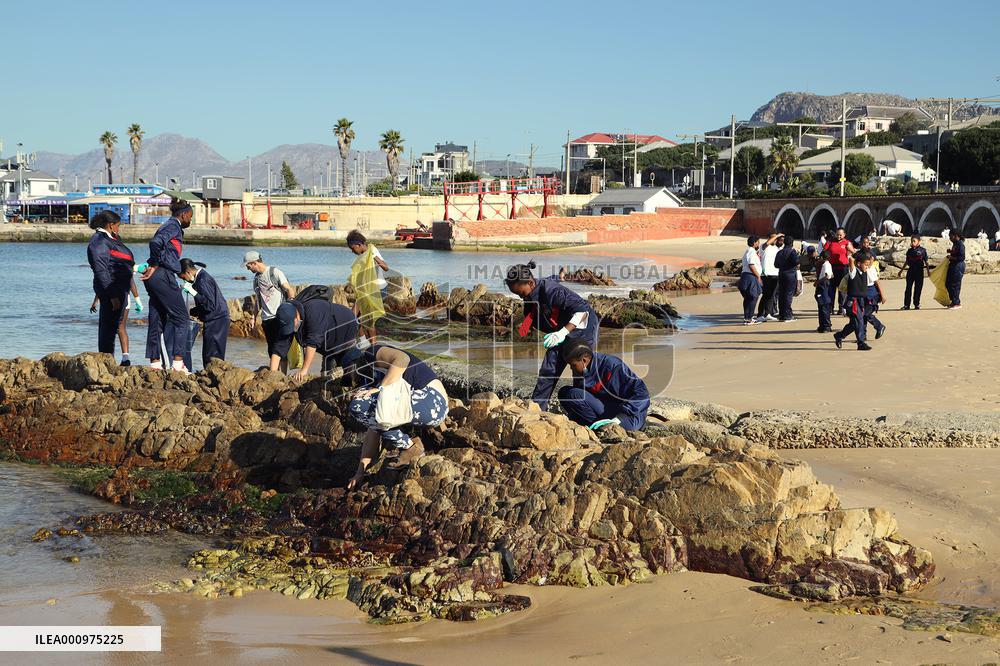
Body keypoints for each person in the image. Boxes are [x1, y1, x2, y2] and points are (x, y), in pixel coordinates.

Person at [347, 344, 449, 488]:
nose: (354, 384)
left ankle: (411, 448)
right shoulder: (377, 379)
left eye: (351, 375)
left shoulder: (372, 353)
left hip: (431, 400)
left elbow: (402, 358)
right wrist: (360, 472)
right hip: (432, 408)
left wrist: (379, 388)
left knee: (357, 405)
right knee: (373, 414)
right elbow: (375, 428)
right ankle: (412, 448)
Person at [505, 261, 599, 410]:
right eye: (516, 294)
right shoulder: (534, 290)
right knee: (550, 366)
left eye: (521, 293)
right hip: (560, 329)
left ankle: (585, 411)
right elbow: (550, 279)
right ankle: (537, 408)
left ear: (530, 283)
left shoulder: (552, 291)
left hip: (582, 326)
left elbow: (582, 313)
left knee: (580, 369)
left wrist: (562, 333)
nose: (521, 297)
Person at [138, 198, 193, 373]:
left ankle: (155, 363)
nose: (190, 220)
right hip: (162, 274)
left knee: (157, 318)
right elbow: (155, 243)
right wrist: (154, 264)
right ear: (183, 215)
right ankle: (178, 364)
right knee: (182, 318)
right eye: (190, 217)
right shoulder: (173, 226)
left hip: (155, 278)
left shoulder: (168, 225)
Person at [556, 341, 650, 432]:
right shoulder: (580, 370)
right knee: (566, 393)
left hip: (629, 413)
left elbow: (642, 395)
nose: (571, 368)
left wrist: (618, 419)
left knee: (628, 427)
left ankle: (602, 426)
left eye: (572, 365)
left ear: (584, 360)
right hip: (605, 406)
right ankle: (598, 425)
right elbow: (581, 394)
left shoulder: (613, 366)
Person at [273, 287, 360, 380]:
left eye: (291, 326)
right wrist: (272, 375)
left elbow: (312, 343)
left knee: (347, 372)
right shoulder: (285, 316)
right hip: (327, 338)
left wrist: (304, 370)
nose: (291, 329)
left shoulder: (313, 311)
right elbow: (279, 347)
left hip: (346, 328)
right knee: (326, 374)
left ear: (296, 316)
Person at [86, 210, 136, 364]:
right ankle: (106, 364)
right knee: (108, 330)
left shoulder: (108, 240)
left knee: (113, 327)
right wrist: (113, 295)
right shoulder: (99, 242)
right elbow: (101, 271)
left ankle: (109, 362)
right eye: (118, 226)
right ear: (111, 225)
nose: (119, 229)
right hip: (111, 292)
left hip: (119, 289)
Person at [244, 251, 296, 372]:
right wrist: (253, 317)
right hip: (266, 320)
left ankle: (282, 376)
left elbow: (289, 289)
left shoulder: (274, 272)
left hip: (280, 317)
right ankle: (276, 375)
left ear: (254, 262)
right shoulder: (256, 279)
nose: (247, 269)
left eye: (248, 266)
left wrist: (291, 306)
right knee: (271, 349)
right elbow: (258, 300)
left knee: (281, 349)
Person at [178, 259, 230, 367]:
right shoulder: (201, 278)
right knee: (210, 353)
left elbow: (210, 305)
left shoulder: (202, 280)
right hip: (216, 317)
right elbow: (206, 303)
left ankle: (214, 379)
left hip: (217, 319)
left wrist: (193, 292)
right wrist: (190, 312)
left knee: (212, 355)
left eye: (183, 278)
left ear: (188, 272)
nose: (185, 281)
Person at [346, 230, 390, 343]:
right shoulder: (363, 255)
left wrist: (375, 258)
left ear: (359, 245)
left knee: (367, 320)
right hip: (366, 290)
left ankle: (373, 348)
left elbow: (386, 267)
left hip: (377, 290)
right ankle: (364, 344)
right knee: (354, 318)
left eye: (352, 248)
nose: (352, 251)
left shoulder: (372, 251)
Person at [833, 251, 882, 351]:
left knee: (853, 324)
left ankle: (839, 335)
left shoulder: (865, 271)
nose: (868, 267)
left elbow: (870, 262)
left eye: (868, 265)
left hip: (861, 301)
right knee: (859, 321)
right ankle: (861, 343)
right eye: (866, 265)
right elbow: (851, 260)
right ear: (859, 264)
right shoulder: (854, 272)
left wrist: (868, 260)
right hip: (853, 301)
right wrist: (854, 254)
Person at [824, 227, 854, 316]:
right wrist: (828, 241)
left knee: (842, 289)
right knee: (831, 289)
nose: (839, 236)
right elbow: (824, 250)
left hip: (843, 267)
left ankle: (841, 308)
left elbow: (853, 252)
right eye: (837, 234)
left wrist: (849, 248)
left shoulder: (847, 242)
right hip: (832, 267)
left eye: (841, 235)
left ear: (844, 235)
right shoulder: (831, 241)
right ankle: (830, 308)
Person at [774, 234, 800, 322]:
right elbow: (796, 262)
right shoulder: (792, 252)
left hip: (781, 274)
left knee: (781, 294)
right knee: (788, 295)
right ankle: (787, 315)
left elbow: (776, 265)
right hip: (790, 275)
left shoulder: (780, 252)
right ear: (792, 243)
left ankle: (781, 314)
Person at [738, 236, 763, 325]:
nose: (759, 244)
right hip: (750, 277)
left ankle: (747, 318)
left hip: (746, 276)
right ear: (754, 243)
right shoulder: (751, 252)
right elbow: (751, 265)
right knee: (753, 297)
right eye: (758, 242)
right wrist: (758, 276)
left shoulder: (749, 252)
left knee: (748, 298)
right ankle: (749, 318)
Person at [755, 233, 780, 322]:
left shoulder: (776, 248)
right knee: (765, 295)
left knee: (771, 295)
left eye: (775, 238)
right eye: (772, 238)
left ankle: (768, 313)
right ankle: (760, 315)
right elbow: (767, 243)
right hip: (766, 275)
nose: (775, 240)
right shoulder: (763, 247)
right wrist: (776, 236)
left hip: (775, 274)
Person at [902, 234, 929, 310]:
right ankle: (906, 305)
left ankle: (916, 304)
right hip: (911, 272)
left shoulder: (923, 250)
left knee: (918, 288)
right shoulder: (909, 251)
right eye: (912, 241)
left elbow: (926, 262)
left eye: (914, 241)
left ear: (919, 241)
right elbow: (907, 262)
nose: (912, 242)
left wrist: (928, 271)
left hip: (919, 272)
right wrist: (901, 270)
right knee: (908, 288)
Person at [814, 249, 834, 333]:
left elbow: (827, 276)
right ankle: (822, 325)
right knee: (821, 306)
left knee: (824, 306)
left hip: (823, 286)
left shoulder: (826, 265)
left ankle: (826, 325)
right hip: (823, 285)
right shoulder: (825, 265)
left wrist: (817, 282)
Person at [946, 228, 966, 309]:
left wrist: (951, 257)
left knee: (955, 284)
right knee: (948, 283)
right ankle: (953, 301)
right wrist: (951, 251)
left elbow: (962, 257)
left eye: (951, 236)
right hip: (953, 265)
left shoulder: (960, 244)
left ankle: (957, 303)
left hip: (958, 266)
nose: (950, 238)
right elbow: (956, 253)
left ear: (956, 236)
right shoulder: (955, 244)